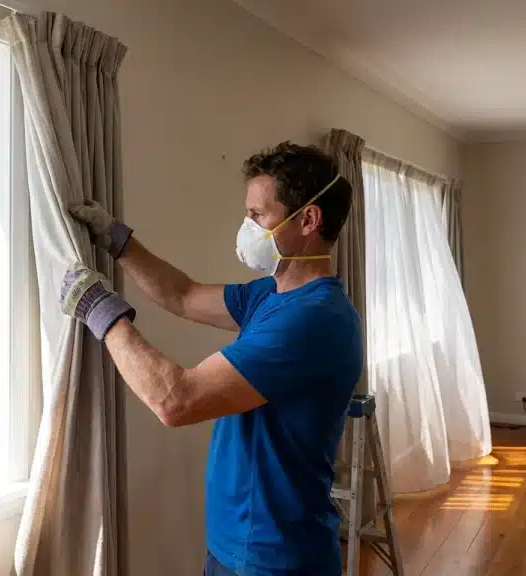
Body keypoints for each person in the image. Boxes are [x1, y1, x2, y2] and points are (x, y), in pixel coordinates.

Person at [60, 141, 364, 575]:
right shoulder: (271, 294)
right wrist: (116, 239)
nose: (247, 226)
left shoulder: (315, 320)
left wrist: (98, 309)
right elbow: (181, 295)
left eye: (258, 215)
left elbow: (176, 400)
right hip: (236, 546)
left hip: (274, 559)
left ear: (308, 220)